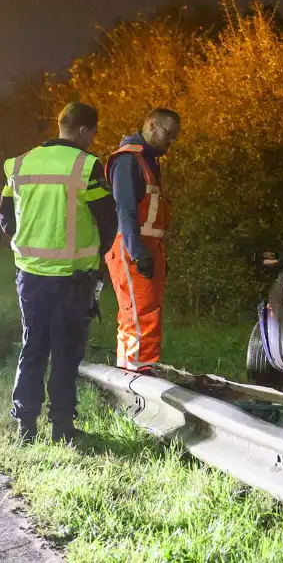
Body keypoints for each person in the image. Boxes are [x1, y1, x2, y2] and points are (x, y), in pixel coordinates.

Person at [0, 102, 117, 443]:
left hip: (30, 275)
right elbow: (107, 219)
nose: (92, 139)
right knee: (66, 353)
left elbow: (6, 219)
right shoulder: (86, 165)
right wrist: (95, 256)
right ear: (82, 130)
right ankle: (62, 428)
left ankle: (25, 426)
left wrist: (30, 242)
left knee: (33, 346)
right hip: (72, 279)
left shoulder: (19, 164)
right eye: (92, 133)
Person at [105, 108, 179, 374]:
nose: (171, 141)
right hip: (133, 249)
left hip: (146, 249)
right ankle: (138, 377)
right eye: (168, 134)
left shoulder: (146, 161)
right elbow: (125, 210)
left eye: (175, 137)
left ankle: (133, 373)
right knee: (141, 317)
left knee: (140, 316)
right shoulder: (128, 161)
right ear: (151, 126)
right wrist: (138, 253)